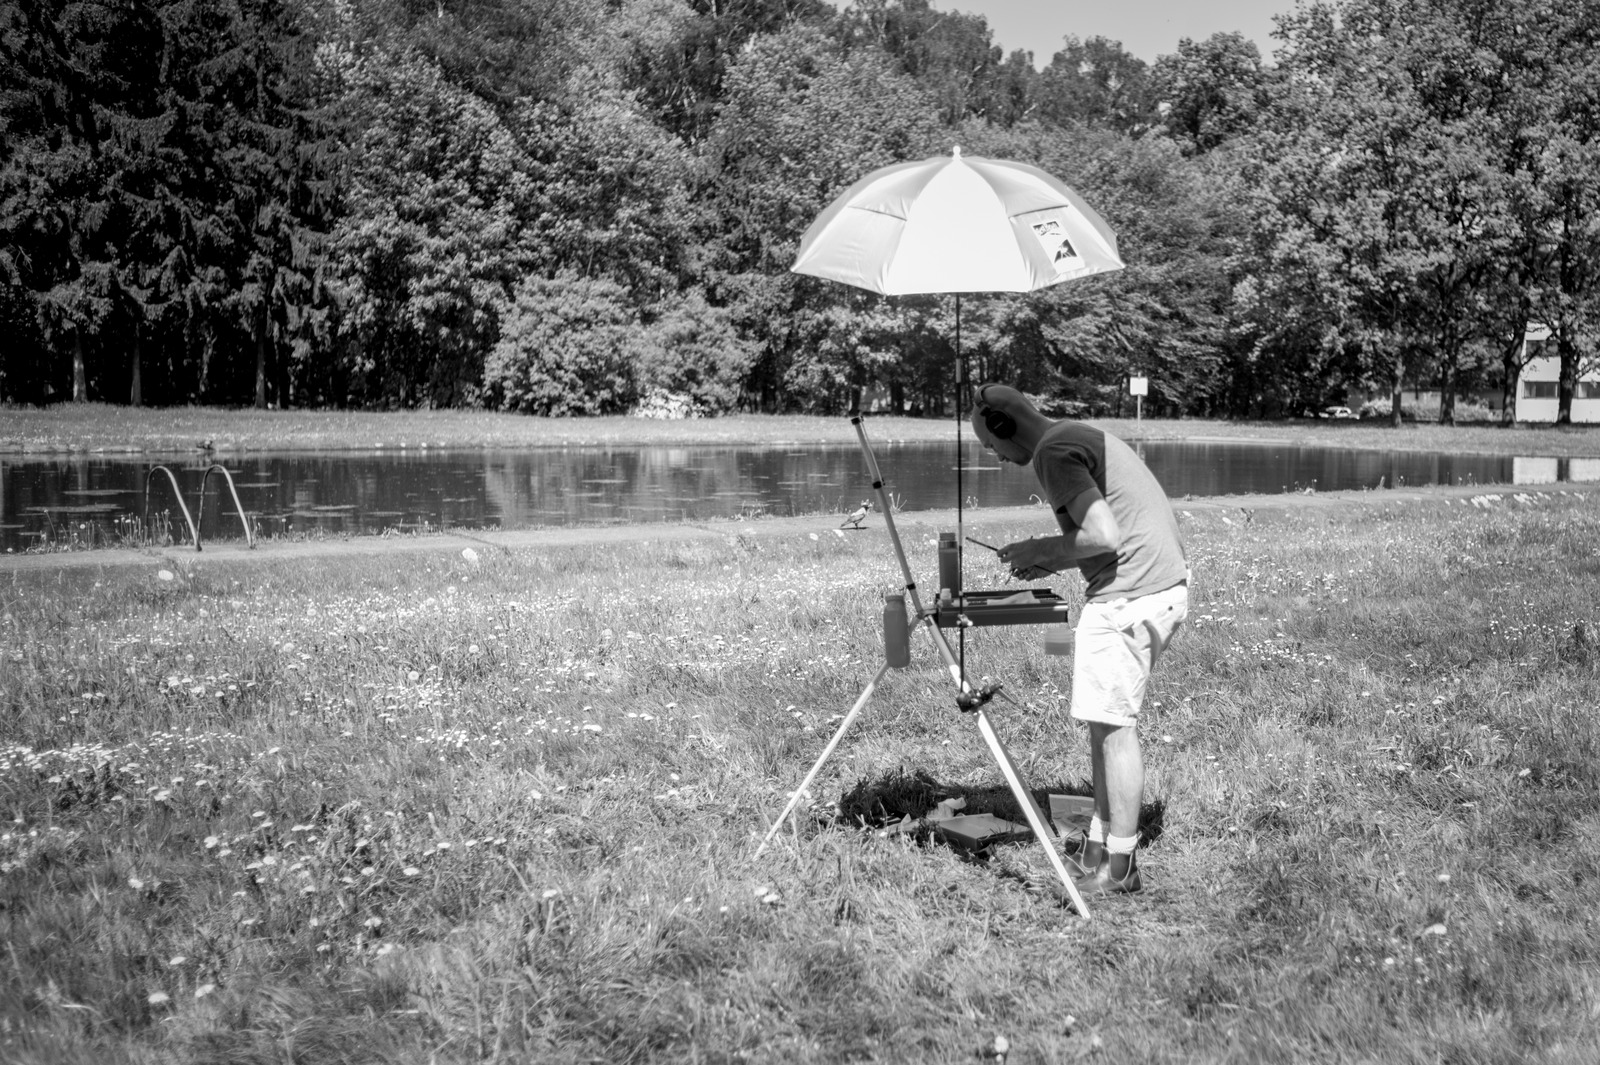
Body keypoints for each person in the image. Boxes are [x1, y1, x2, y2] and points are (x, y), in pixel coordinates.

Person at [969, 384, 1189, 896]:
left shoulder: (1053, 453)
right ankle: (1097, 844)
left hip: (1130, 598)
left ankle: (1121, 867)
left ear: (1004, 426)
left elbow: (1104, 536)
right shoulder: (1074, 434)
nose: (996, 457)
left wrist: (1040, 546)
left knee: (1115, 731)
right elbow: (1099, 535)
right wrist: (1049, 555)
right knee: (1103, 724)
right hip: (1151, 588)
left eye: (991, 445)